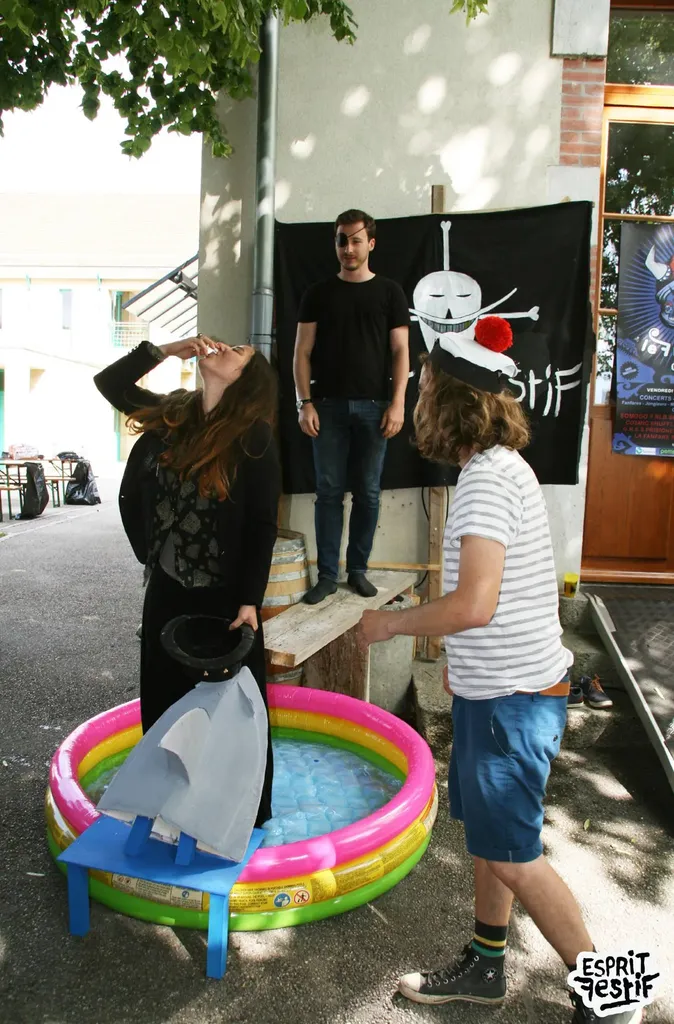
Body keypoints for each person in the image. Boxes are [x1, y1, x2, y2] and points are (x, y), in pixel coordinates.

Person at [359, 324, 641, 1023]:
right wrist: (466, 670)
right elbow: (504, 600)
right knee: (494, 843)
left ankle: (616, 998)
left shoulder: (486, 481)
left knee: (515, 854)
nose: (418, 394)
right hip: (503, 693)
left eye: (425, 384)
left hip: (513, 703)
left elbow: (474, 605)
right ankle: (487, 966)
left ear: (452, 399)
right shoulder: (499, 468)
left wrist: (390, 624)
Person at [94, 335, 281, 826]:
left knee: (233, 707)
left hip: (225, 596)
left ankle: (244, 814)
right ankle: (164, 803)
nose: (225, 348)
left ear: (246, 379)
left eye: (240, 352)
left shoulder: (254, 437)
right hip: (167, 583)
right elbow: (110, 383)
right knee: (162, 697)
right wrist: (167, 351)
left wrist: (250, 600)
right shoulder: (174, 415)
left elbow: (262, 523)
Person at [293, 208, 410, 604]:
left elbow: (401, 351)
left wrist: (398, 403)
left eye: (356, 240)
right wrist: (304, 403)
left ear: (370, 243)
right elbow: (301, 352)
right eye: (342, 240)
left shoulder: (390, 292)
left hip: (376, 408)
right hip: (325, 408)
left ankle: (357, 571)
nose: (348, 248)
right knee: (328, 493)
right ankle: (327, 576)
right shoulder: (317, 293)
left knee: (368, 493)